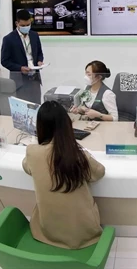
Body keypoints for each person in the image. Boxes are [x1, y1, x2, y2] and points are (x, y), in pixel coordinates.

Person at [23, 101, 106, 249]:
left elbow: (26, 166)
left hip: (47, 231)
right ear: (67, 125)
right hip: (82, 235)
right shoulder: (78, 156)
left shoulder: (32, 152)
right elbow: (99, 172)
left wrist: (38, 146)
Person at [1, 9, 45, 104]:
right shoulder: (8, 39)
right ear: (17, 23)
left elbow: (39, 53)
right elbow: (4, 61)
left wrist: (40, 61)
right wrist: (20, 68)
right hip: (19, 81)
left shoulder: (34, 35)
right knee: (22, 109)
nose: (26, 27)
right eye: (23, 26)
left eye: (28, 25)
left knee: (36, 106)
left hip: (35, 78)